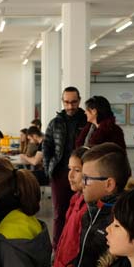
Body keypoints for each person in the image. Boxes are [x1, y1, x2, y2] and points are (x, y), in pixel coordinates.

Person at [43, 87, 87, 249]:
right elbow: (46, 146)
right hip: (60, 173)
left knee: (81, 212)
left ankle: (77, 246)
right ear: (62, 101)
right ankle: (57, 248)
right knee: (59, 213)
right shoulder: (55, 123)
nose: (70, 106)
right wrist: (48, 168)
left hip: (82, 173)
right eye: (67, 102)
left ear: (79, 101)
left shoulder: (86, 121)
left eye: (73, 102)